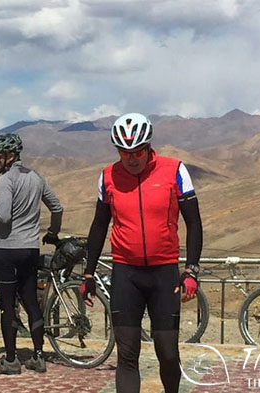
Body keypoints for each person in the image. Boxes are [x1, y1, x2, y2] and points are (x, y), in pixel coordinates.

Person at [80, 113, 203, 393]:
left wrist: (191, 271)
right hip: (127, 273)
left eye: (137, 152)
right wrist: (88, 274)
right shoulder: (108, 176)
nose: (131, 158)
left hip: (163, 274)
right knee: (126, 355)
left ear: (148, 147)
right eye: (124, 152)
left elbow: (194, 223)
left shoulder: (175, 170)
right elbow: (99, 226)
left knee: (168, 353)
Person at [0, 133, 63, 375]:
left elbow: (4, 215)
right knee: (30, 301)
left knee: (8, 306)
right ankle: (39, 357)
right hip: (30, 249)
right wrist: (53, 232)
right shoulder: (36, 177)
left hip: (7, 250)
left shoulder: (6, 180)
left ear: (9, 156)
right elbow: (57, 207)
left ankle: (10, 360)